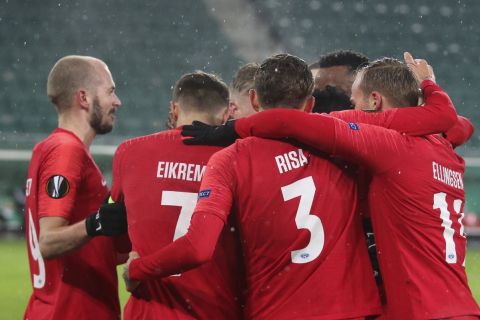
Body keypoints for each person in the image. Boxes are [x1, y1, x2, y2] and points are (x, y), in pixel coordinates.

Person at [211, 54, 480, 319]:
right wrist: (426, 89)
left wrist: (232, 130)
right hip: (462, 306)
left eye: (355, 98)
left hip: (421, 310)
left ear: (375, 100)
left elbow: (290, 121)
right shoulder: (444, 145)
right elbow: (460, 125)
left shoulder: (390, 147)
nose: (351, 104)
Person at [124, 54, 382, 319]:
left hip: (275, 310)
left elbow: (198, 247)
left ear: (254, 99)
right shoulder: (344, 148)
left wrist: (136, 270)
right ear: (310, 104)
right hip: (347, 310)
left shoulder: (230, 160)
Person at [111, 71, 244, 320]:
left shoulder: (130, 153)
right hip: (213, 310)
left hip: (147, 311)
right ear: (227, 114)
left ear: (173, 109)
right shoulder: (238, 159)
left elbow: (119, 243)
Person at [24, 55, 129, 320]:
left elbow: (101, 252)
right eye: (110, 92)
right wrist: (97, 223)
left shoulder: (54, 148)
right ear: (83, 98)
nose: (117, 102)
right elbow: (48, 242)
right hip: (70, 312)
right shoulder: (66, 151)